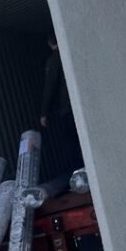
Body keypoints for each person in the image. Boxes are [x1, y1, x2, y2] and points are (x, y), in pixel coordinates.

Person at [40, 32, 84, 171]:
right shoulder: (73, 52)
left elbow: (50, 86)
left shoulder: (54, 60)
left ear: (50, 44)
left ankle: (81, 174)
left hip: (68, 108)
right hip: (82, 103)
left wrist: (44, 113)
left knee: (72, 142)